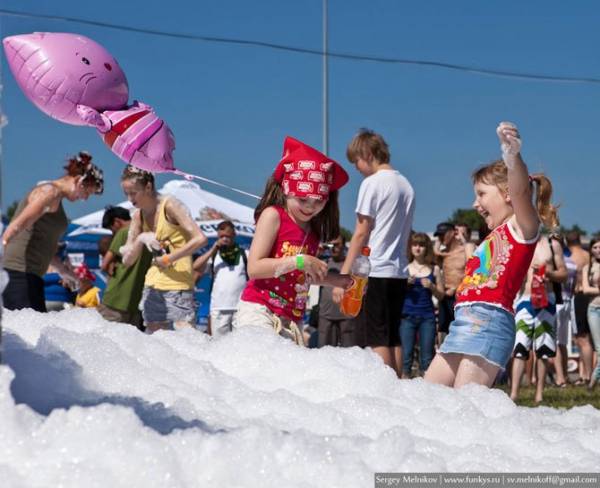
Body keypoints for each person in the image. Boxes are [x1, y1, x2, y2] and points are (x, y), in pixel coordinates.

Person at [425, 121, 557, 388]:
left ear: (507, 194)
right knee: (426, 398)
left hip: (490, 321)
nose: (475, 204)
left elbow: (521, 190)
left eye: (482, 194)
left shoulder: (521, 228)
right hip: (463, 322)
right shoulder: (491, 237)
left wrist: (512, 156)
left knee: (466, 407)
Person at [236, 136, 352, 345]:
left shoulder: (313, 232)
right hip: (259, 310)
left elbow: (303, 276)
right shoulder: (273, 215)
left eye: (318, 201)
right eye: (302, 199)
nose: (310, 207)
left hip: (291, 319)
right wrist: (299, 260)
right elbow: (254, 268)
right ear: (286, 191)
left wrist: (338, 281)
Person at [333, 128, 415, 375]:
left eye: (356, 160)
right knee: (392, 336)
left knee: (376, 336)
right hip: (398, 270)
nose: (355, 167)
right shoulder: (406, 185)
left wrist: (343, 276)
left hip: (375, 269)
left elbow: (361, 231)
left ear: (367, 153)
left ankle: (388, 393)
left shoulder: (372, 183)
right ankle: (399, 386)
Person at [2, 152, 104, 312]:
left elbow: (43, 248)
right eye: (87, 193)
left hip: (31, 276)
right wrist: (2, 245)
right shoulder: (50, 192)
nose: (84, 199)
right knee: (29, 332)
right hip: (19, 274)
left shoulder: (55, 198)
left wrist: (65, 272)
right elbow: (19, 224)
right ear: (79, 181)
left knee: (36, 331)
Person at [119, 166, 208, 334]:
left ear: (148, 187)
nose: (130, 199)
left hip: (178, 285)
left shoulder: (170, 205)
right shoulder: (138, 215)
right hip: (152, 285)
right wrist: (141, 239)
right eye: (126, 193)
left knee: (185, 341)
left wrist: (169, 258)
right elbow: (127, 261)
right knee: (154, 343)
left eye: (133, 192)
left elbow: (200, 239)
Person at [510, 236, 567, 403]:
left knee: (543, 348)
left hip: (546, 299)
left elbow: (564, 274)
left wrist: (549, 273)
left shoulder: (552, 244)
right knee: (520, 346)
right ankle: (514, 393)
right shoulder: (519, 242)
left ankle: (539, 394)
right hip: (524, 300)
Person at [97, 205, 152, 329]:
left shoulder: (123, 232)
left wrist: (111, 266)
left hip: (115, 299)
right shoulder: (150, 234)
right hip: (137, 302)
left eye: (112, 230)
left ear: (117, 222)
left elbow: (104, 264)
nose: (113, 233)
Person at [400, 232, 445, 378]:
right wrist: (404, 284)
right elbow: (394, 294)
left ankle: (426, 393)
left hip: (427, 317)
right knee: (406, 358)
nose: (418, 248)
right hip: (407, 316)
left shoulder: (435, 269)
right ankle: (402, 390)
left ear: (427, 248)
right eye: (414, 245)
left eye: (421, 245)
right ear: (410, 247)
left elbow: (441, 295)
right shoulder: (404, 268)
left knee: (426, 359)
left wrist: (432, 286)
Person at [193, 220, 249, 337]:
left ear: (234, 235)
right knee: (218, 345)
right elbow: (195, 266)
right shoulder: (214, 256)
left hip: (240, 309)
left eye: (227, 236)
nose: (224, 239)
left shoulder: (245, 254)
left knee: (240, 345)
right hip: (218, 308)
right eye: (221, 236)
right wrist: (213, 249)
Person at [434, 222, 476, 342]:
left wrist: (456, 288)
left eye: (443, 234)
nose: (441, 238)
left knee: (461, 331)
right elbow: (431, 256)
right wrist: (438, 242)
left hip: (459, 297)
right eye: (439, 235)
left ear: (453, 233)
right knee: (443, 331)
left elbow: (472, 273)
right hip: (445, 297)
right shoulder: (441, 254)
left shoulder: (465, 251)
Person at [317, 235, 357, 347]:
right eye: (331, 245)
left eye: (337, 245)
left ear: (343, 245)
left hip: (347, 318)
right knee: (324, 354)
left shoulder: (351, 265)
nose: (333, 248)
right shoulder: (323, 262)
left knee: (349, 354)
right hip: (326, 316)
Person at [567, 231, 594, 384]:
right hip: (590, 296)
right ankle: (586, 374)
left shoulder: (571, 257)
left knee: (581, 339)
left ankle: (587, 376)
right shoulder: (587, 255)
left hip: (578, 296)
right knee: (588, 339)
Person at [582, 237, 600, 388]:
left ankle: (592, 382)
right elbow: (585, 289)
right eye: (595, 247)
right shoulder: (587, 268)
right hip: (593, 309)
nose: (598, 250)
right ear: (590, 250)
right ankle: (593, 382)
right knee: (599, 348)